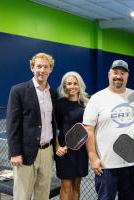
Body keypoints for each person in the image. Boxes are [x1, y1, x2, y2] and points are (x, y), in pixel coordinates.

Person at [83, 60, 134, 200]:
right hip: (106, 164)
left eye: (122, 73)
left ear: (127, 76)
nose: (118, 76)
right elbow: (88, 130)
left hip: (131, 163)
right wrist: (93, 157)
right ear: (109, 74)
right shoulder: (96, 99)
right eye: (115, 72)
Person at [6, 52, 57, 200]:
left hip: (47, 152)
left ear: (50, 69)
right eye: (38, 66)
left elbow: (52, 123)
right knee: (22, 195)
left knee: (43, 195)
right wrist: (15, 152)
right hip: (25, 152)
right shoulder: (18, 91)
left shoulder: (52, 94)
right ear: (32, 68)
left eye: (45, 67)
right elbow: (12, 124)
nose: (42, 70)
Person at [55, 71, 89, 200]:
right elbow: (53, 129)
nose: (72, 86)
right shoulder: (59, 105)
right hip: (65, 152)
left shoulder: (87, 103)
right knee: (66, 186)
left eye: (75, 83)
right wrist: (58, 146)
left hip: (81, 151)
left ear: (80, 85)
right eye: (69, 84)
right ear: (64, 86)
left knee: (76, 184)